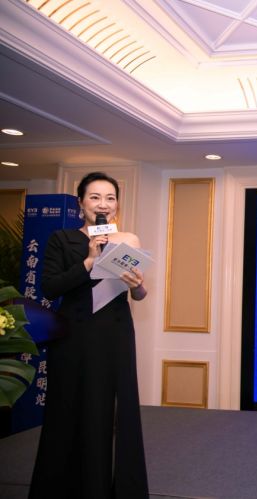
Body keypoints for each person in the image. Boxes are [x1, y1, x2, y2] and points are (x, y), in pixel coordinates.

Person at [30, 172, 149, 498]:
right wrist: (89, 261)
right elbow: (50, 287)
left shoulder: (128, 240)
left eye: (110, 198)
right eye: (95, 197)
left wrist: (137, 285)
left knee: (115, 409)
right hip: (75, 335)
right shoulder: (62, 239)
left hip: (115, 333)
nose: (103, 204)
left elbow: (139, 295)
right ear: (81, 203)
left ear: (117, 204)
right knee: (71, 408)